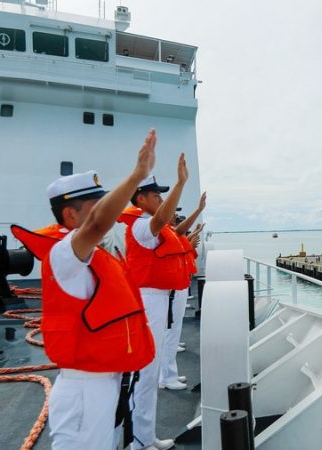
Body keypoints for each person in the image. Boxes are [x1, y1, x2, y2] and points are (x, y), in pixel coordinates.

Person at [9, 129, 159, 450]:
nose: (109, 211)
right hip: (84, 390)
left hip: (110, 382)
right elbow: (96, 226)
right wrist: (137, 176)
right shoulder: (63, 254)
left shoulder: (100, 254)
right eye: (97, 204)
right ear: (70, 214)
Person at [117, 151, 191, 450]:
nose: (160, 200)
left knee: (149, 370)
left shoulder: (144, 222)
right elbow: (161, 221)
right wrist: (181, 184)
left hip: (159, 299)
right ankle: (138, 440)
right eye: (155, 195)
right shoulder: (138, 225)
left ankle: (144, 437)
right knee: (144, 372)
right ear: (140, 198)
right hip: (148, 301)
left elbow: (165, 222)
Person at [159, 194, 207, 389]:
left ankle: (170, 374)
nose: (174, 217)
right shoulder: (163, 233)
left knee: (173, 330)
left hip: (176, 286)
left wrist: (192, 236)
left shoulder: (169, 232)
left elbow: (182, 246)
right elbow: (178, 247)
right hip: (168, 289)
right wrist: (192, 235)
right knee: (168, 332)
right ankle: (166, 377)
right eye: (172, 213)